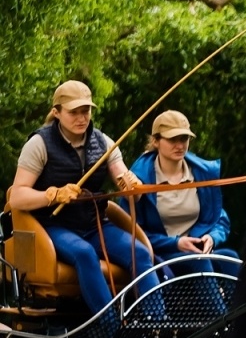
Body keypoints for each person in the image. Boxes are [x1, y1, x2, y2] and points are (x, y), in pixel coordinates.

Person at [6, 80, 160, 313]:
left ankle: (158, 324)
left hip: (94, 225)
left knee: (139, 251)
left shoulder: (105, 143)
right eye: (74, 112)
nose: (81, 118)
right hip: (53, 226)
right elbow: (17, 197)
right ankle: (108, 328)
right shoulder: (39, 144)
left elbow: (123, 179)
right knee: (84, 253)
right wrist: (54, 194)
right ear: (57, 113)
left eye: (86, 111)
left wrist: (131, 185)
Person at [129, 109, 240, 278]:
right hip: (161, 255)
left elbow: (220, 219)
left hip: (198, 252)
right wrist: (176, 243)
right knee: (199, 262)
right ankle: (220, 306)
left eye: (184, 139)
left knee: (230, 258)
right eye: (173, 139)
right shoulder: (139, 180)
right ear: (156, 141)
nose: (180, 145)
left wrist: (211, 238)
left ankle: (242, 305)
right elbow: (131, 233)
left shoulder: (202, 174)